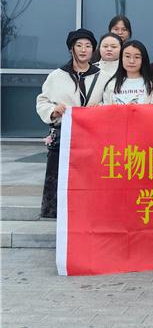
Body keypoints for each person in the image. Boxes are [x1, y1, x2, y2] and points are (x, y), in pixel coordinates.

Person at [35, 29, 109, 218]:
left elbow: (110, 101)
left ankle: (87, 213)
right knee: (59, 174)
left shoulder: (103, 76)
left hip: (91, 136)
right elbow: (42, 100)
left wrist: (99, 107)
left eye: (88, 46)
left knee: (88, 176)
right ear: (71, 49)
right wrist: (53, 110)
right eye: (79, 45)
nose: (83, 50)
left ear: (93, 49)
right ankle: (56, 214)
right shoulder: (57, 75)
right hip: (64, 136)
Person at [102, 40, 153, 104]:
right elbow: (107, 108)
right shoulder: (112, 84)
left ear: (143, 60)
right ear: (121, 58)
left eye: (137, 57)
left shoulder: (152, 84)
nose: (131, 61)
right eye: (127, 56)